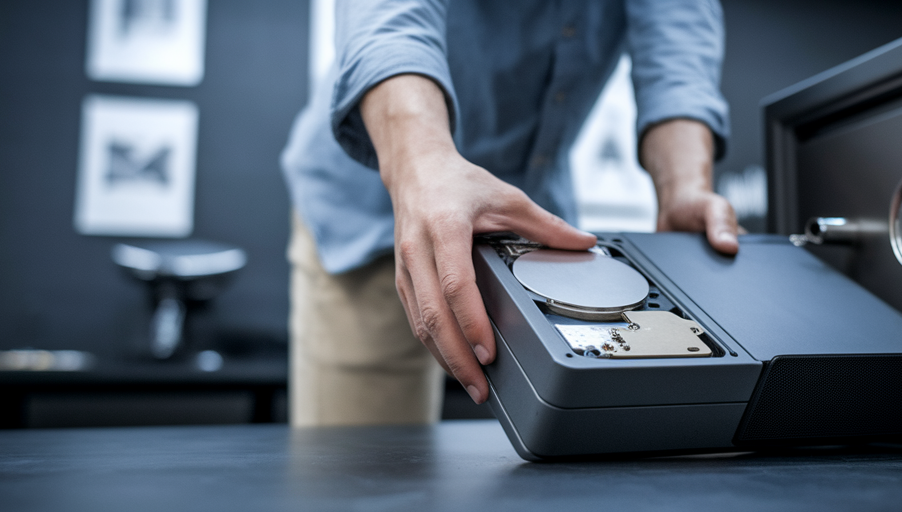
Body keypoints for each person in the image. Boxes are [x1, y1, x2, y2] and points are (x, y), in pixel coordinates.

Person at [280, 0, 740, 426]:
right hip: (373, 217)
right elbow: (389, 18)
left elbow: (676, 41)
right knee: (359, 476)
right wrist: (422, 164)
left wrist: (685, 186)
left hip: (533, 231)